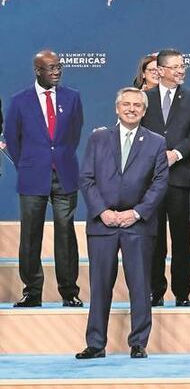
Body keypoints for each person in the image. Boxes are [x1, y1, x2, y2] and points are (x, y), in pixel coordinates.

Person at [76, 87, 168, 359]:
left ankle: (138, 343)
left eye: (136, 105)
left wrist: (137, 213)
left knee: (140, 285)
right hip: (102, 224)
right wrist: (103, 212)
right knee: (100, 285)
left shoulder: (156, 142)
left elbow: (160, 182)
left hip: (137, 225)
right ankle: (95, 344)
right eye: (125, 104)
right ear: (117, 108)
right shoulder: (98, 138)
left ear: (144, 110)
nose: (131, 109)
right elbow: (87, 179)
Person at [4, 50, 84, 307]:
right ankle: (32, 291)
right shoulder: (19, 101)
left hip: (64, 173)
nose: (57, 71)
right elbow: (12, 139)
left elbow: (74, 134)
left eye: (59, 67)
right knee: (30, 234)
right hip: (32, 176)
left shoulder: (72, 98)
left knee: (65, 231)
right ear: (37, 71)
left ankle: (69, 291)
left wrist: (57, 158)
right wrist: (27, 164)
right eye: (50, 68)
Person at [142, 48, 190, 307]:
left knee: (181, 240)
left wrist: (176, 154)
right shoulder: (145, 98)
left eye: (183, 65)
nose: (181, 70)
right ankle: (155, 291)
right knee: (154, 240)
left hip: (181, 179)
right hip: (151, 181)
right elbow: (139, 133)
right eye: (176, 66)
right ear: (161, 70)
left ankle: (182, 292)